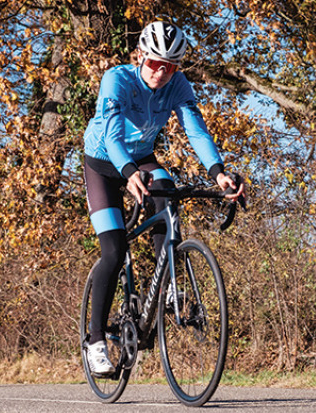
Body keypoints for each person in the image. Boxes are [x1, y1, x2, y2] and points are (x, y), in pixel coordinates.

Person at [83, 21, 245, 376]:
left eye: (170, 66)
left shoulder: (177, 85)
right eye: (155, 62)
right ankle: (95, 340)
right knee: (113, 249)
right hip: (103, 162)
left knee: (167, 190)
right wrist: (127, 175)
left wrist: (218, 173)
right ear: (141, 56)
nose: (161, 71)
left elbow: (196, 131)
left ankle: (169, 285)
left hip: (140, 157)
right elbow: (111, 136)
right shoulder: (117, 80)